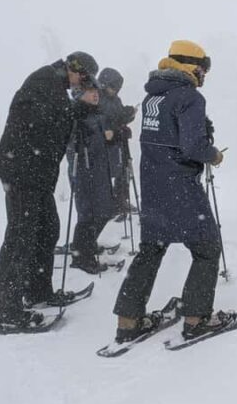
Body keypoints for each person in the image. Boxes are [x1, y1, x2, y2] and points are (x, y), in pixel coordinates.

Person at [111, 40, 227, 344]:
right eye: (203, 69)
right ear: (191, 66)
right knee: (207, 249)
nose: (204, 75)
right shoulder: (189, 97)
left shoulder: (153, 96)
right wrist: (213, 154)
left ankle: (128, 322)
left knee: (151, 249)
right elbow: (192, 146)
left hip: (152, 184)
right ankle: (196, 319)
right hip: (180, 184)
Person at [0, 51, 100, 329]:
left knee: (48, 228)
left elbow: (56, 120)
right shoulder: (44, 81)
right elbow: (46, 121)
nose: (80, 86)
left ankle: (37, 292)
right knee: (21, 236)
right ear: (75, 70)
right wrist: (79, 107)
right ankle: (6, 310)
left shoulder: (54, 86)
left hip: (34, 174)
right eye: (83, 79)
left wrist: (81, 108)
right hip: (22, 172)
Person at [66, 84, 118, 274]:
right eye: (90, 92)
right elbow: (70, 144)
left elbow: (104, 139)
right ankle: (81, 256)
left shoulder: (97, 113)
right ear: (79, 94)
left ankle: (85, 245)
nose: (95, 94)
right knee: (88, 214)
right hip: (84, 171)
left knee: (104, 211)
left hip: (99, 170)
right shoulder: (74, 114)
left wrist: (115, 136)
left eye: (96, 91)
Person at [96, 67, 137, 221]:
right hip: (104, 146)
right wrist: (121, 119)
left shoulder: (115, 99)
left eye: (118, 88)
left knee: (124, 169)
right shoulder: (97, 97)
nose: (115, 91)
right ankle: (110, 204)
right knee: (109, 173)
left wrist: (128, 115)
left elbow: (118, 118)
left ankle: (121, 201)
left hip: (118, 142)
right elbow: (104, 121)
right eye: (113, 87)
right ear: (104, 84)